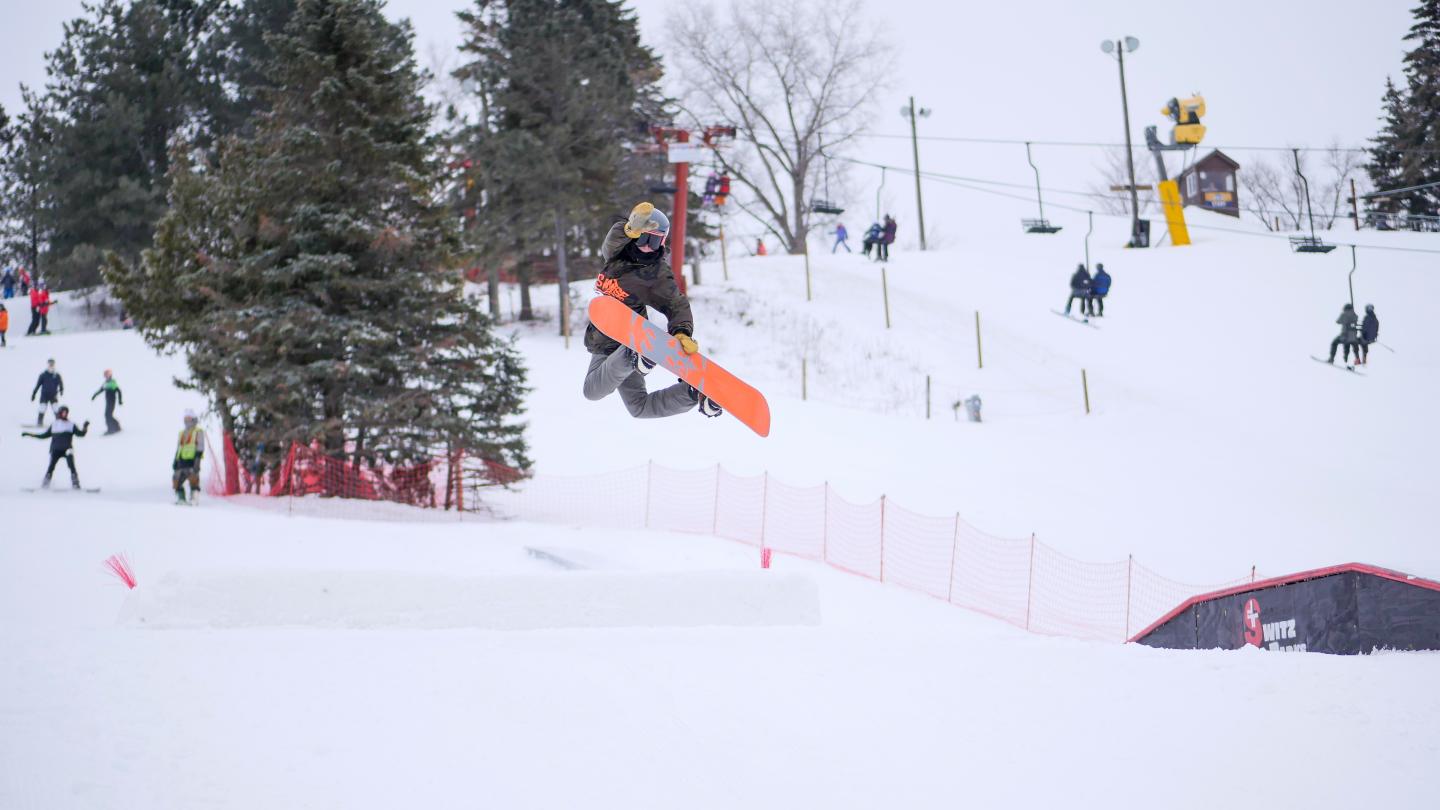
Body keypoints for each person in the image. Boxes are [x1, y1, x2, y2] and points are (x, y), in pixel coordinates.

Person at [583, 202, 722, 421]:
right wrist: (629, 228)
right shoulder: (617, 254)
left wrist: (681, 331)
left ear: (663, 242)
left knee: (591, 391)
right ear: (634, 236)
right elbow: (613, 240)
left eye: (655, 241)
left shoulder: (657, 272)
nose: (648, 247)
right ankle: (691, 394)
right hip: (607, 339)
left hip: (624, 342)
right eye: (644, 238)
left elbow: (676, 303)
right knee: (639, 407)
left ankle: (632, 355)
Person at [21, 405, 90, 489]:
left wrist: (85, 427)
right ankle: (45, 484)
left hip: (67, 449)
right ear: (60, 413)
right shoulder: (54, 424)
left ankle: (76, 484)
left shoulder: (71, 425)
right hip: (55, 450)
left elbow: (81, 434)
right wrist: (29, 434)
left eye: (66, 413)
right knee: (51, 467)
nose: (65, 414)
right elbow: (43, 436)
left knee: (71, 465)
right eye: (63, 412)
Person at [174, 409, 206, 504]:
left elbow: (200, 446)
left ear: (193, 419)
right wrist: (176, 460)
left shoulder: (198, 431)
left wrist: (197, 459)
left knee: (193, 479)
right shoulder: (182, 433)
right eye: (185, 418)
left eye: (188, 418)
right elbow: (179, 447)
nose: (186, 420)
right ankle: (181, 499)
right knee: (177, 479)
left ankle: (194, 498)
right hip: (182, 460)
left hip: (193, 459)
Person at [31, 358, 64, 426]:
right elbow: (38, 385)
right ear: (48, 365)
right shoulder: (43, 375)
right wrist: (34, 393)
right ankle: (40, 421)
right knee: (42, 407)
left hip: (53, 395)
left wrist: (61, 389)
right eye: (50, 364)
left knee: (56, 408)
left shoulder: (57, 375)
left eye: (52, 364)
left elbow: (60, 383)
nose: (51, 365)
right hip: (44, 395)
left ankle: (59, 421)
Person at [91, 369, 124, 434]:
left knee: (107, 415)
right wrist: (94, 395)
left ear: (110, 375)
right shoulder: (106, 383)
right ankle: (117, 427)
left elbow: (119, 391)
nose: (106, 376)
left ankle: (111, 429)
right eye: (105, 375)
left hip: (112, 400)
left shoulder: (112, 382)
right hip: (108, 401)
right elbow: (101, 390)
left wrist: (120, 400)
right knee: (108, 415)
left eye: (107, 375)